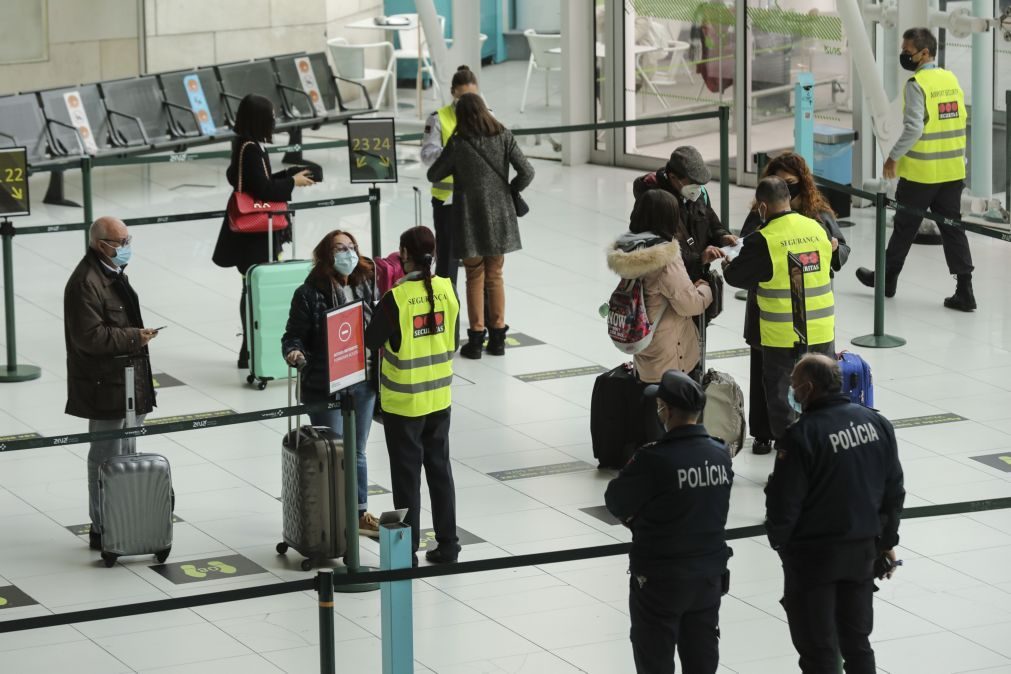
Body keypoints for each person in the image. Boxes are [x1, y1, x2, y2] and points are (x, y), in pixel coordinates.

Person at [766, 354, 904, 674]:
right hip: (861, 555)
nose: (792, 391)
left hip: (814, 561)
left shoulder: (802, 436)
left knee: (819, 650)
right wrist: (886, 542)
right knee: (857, 644)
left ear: (809, 389)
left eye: (794, 385)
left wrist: (785, 549)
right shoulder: (876, 423)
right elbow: (893, 490)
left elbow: (783, 506)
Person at [605, 369, 733, 674]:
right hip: (707, 577)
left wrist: (639, 518)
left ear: (668, 410)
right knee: (702, 657)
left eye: (660, 404)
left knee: (655, 659)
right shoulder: (720, 454)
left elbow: (616, 501)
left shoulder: (653, 459)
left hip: (661, 579)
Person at [855, 27, 975, 312]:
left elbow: (914, 127)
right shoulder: (950, 79)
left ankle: (886, 280)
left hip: (922, 174)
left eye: (908, 52)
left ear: (925, 53)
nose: (904, 56)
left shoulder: (917, 84)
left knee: (904, 227)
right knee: (953, 230)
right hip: (953, 171)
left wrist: (892, 157)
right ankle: (965, 290)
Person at [740, 153, 849, 455]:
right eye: (780, 182)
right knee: (767, 376)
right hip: (771, 312)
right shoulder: (760, 215)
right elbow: (747, 247)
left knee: (812, 376)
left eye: (791, 183)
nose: (787, 188)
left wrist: (835, 250)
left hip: (811, 315)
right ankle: (764, 433)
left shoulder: (819, 214)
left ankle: (810, 436)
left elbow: (840, 250)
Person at [364, 226, 461, 565]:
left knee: (407, 480)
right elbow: (452, 340)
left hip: (404, 403)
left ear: (404, 254)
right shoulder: (448, 290)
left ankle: (407, 550)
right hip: (439, 398)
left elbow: (370, 339)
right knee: (440, 472)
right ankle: (448, 545)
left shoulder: (397, 298)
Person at [64, 217, 158, 552]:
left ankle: (128, 518)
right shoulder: (85, 282)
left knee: (128, 454)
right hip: (105, 384)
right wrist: (135, 337)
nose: (125, 246)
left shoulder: (111, 273)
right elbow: (88, 337)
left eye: (127, 239)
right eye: (120, 241)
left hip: (130, 381)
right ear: (100, 243)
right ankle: (103, 527)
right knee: (105, 458)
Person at [282, 230, 380, 538]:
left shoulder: (365, 283)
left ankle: (359, 512)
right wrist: (294, 352)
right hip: (326, 383)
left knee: (357, 450)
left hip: (362, 380)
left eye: (351, 247)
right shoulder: (308, 293)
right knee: (333, 452)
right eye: (340, 248)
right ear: (326, 254)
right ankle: (334, 517)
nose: (348, 254)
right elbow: (293, 335)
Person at [723, 176, 835, 447]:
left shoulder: (764, 239)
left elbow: (737, 277)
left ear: (762, 207)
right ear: (788, 199)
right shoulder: (818, 228)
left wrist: (728, 263)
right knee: (824, 397)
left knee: (783, 403)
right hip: (821, 329)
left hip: (783, 336)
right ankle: (824, 453)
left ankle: (791, 459)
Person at [426, 93, 534, 360]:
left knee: (474, 275)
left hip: (469, 217)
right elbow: (527, 171)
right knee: (495, 275)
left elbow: (434, 174)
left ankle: (475, 340)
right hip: (500, 215)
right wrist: (510, 189)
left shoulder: (459, 143)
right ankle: (498, 338)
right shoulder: (504, 135)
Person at [212, 93, 315, 368]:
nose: (274, 121)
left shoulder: (245, 145)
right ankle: (251, 350)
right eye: (270, 116)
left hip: (252, 236)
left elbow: (260, 182)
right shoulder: (252, 148)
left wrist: (289, 176)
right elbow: (265, 190)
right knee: (255, 291)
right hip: (255, 236)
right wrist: (291, 182)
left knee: (251, 289)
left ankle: (250, 350)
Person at [606, 190, 713, 386]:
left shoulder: (629, 248)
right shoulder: (665, 259)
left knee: (648, 405)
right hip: (671, 354)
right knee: (669, 411)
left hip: (643, 341)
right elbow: (690, 304)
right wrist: (705, 287)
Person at [632, 145, 737, 281]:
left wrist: (722, 237)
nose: (698, 187)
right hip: (667, 283)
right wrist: (699, 259)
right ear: (673, 177)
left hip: (694, 278)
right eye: (693, 181)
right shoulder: (655, 203)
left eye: (700, 182)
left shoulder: (695, 194)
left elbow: (711, 223)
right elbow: (659, 252)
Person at [420, 65, 480, 287]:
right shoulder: (438, 118)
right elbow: (427, 155)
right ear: (454, 93)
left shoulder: (487, 116)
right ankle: (445, 315)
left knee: (479, 266)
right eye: (464, 96)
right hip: (448, 202)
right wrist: (455, 154)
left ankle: (479, 320)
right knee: (447, 262)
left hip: (477, 201)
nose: (469, 102)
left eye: (473, 96)